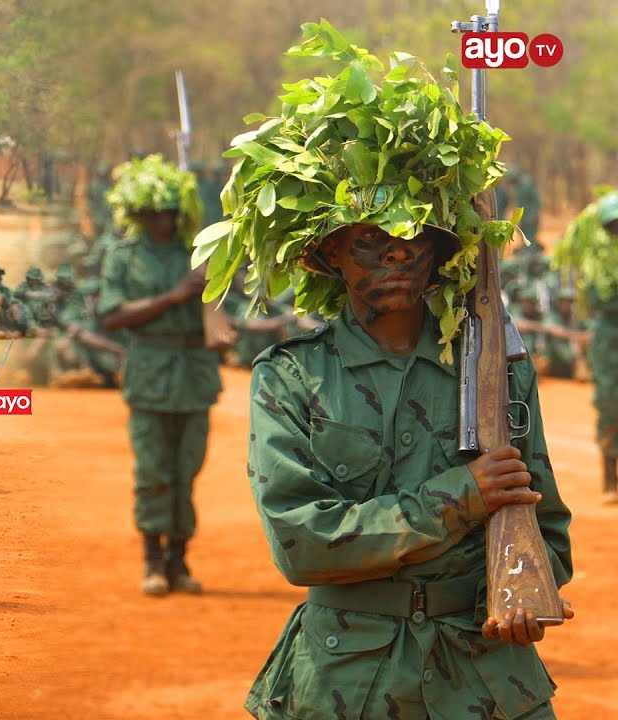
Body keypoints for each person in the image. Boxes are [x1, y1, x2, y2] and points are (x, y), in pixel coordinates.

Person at [191, 28, 573, 718]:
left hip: (484, 674)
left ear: (438, 252)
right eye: (371, 241)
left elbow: (544, 521)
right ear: (332, 254)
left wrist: (518, 587)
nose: (397, 258)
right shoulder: (291, 379)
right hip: (349, 674)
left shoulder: (494, 370)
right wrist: (462, 496)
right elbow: (303, 543)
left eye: (414, 240)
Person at [98, 154, 218, 596]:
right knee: (153, 470)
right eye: (153, 212)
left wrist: (212, 289)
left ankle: (178, 561)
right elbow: (111, 315)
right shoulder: (124, 256)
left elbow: (228, 310)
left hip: (194, 373)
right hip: (149, 370)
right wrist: (174, 296)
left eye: (169, 212)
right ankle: (152, 560)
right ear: (140, 213)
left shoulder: (201, 254)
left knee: (187, 470)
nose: (161, 221)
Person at [554, 190, 618, 502]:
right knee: (609, 403)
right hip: (609, 337)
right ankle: (610, 478)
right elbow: (599, 299)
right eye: (612, 228)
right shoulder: (596, 265)